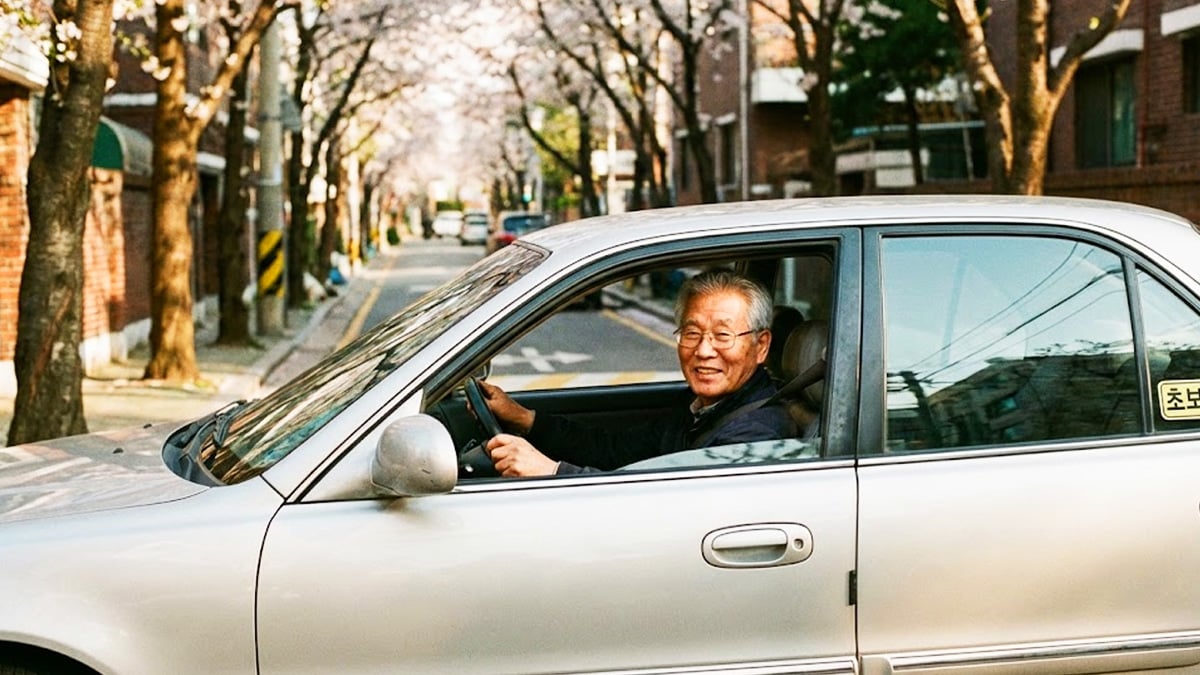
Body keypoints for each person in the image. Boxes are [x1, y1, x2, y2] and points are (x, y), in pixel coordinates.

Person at [477, 269, 795, 477]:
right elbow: (614, 450)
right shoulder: (698, 408)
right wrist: (524, 418)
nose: (703, 350)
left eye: (723, 336)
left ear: (761, 346)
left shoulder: (755, 434)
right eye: (692, 333)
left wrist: (553, 472)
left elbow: (668, 509)